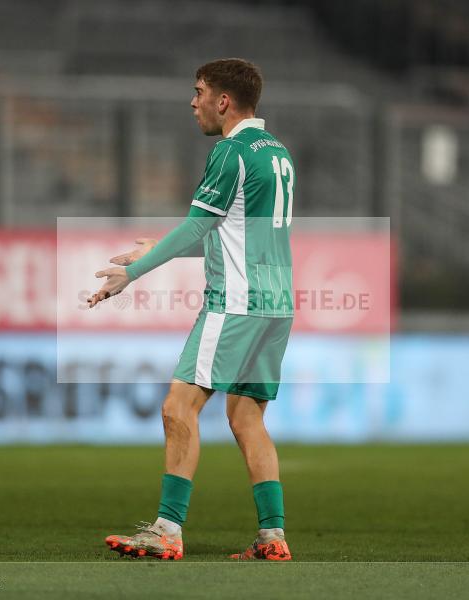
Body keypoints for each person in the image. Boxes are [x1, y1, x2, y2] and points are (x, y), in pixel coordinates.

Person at [90, 58, 295, 561]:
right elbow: (231, 230)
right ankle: (273, 536)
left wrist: (132, 273)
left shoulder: (230, 152)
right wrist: (155, 247)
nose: (193, 101)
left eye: (199, 91)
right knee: (246, 417)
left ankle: (166, 529)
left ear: (223, 101)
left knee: (178, 407)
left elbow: (197, 226)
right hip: (277, 305)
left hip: (237, 304)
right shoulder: (277, 152)